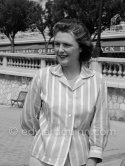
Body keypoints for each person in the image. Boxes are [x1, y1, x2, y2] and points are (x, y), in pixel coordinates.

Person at [20, 18, 109, 166]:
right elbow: (28, 118)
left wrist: (92, 160)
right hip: (42, 159)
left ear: (81, 47)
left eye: (66, 45)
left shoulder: (97, 81)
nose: (60, 50)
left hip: (80, 160)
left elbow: (100, 125)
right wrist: (48, 136)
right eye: (57, 44)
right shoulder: (42, 76)